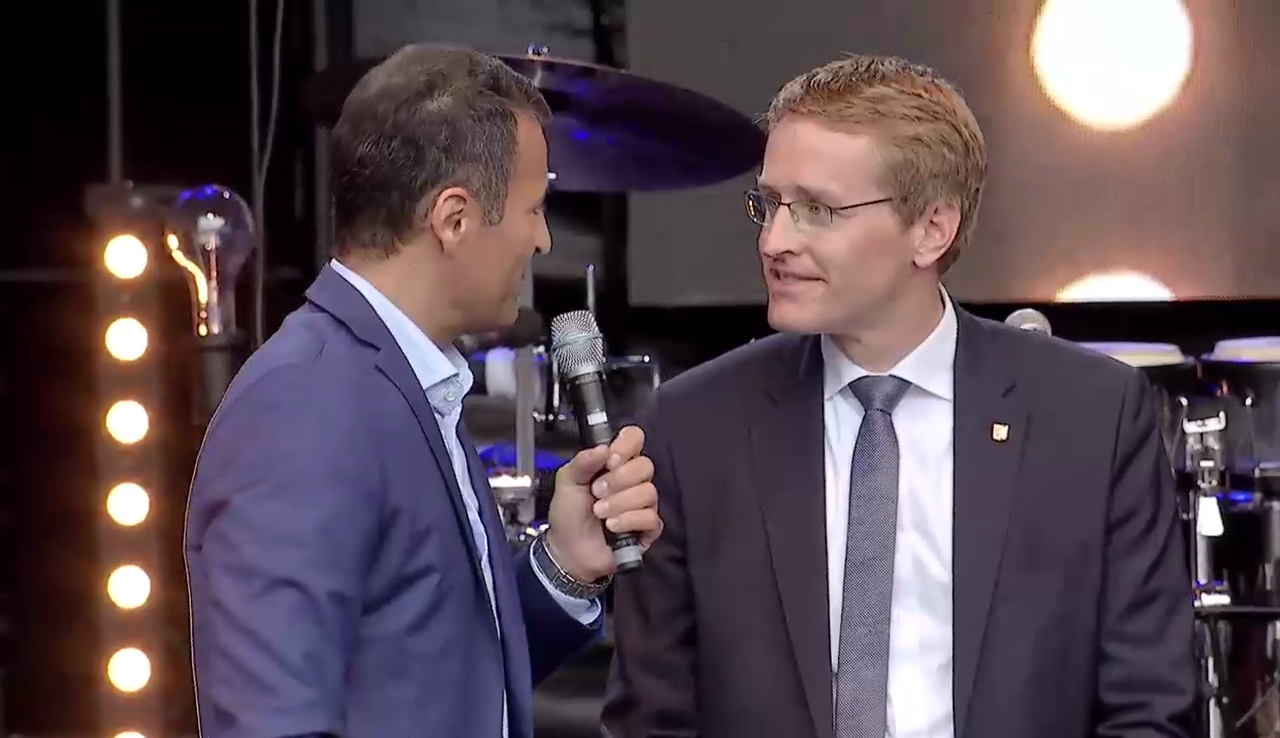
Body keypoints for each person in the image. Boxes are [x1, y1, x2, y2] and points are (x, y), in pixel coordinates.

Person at [602, 55, 1194, 738]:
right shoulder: (694, 427)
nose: (774, 241)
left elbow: (1148, 710)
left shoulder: (1091, 417)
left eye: (817, 210)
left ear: (931, 230)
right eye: (769, 204)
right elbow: (651, 721)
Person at [184, 44, 662, 738]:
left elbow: (434, 680)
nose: (543, 240)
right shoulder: (303, 404)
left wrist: (563, 567)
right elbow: (272, 722)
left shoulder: (407, 381)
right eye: (534, 209)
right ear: (453, 218)